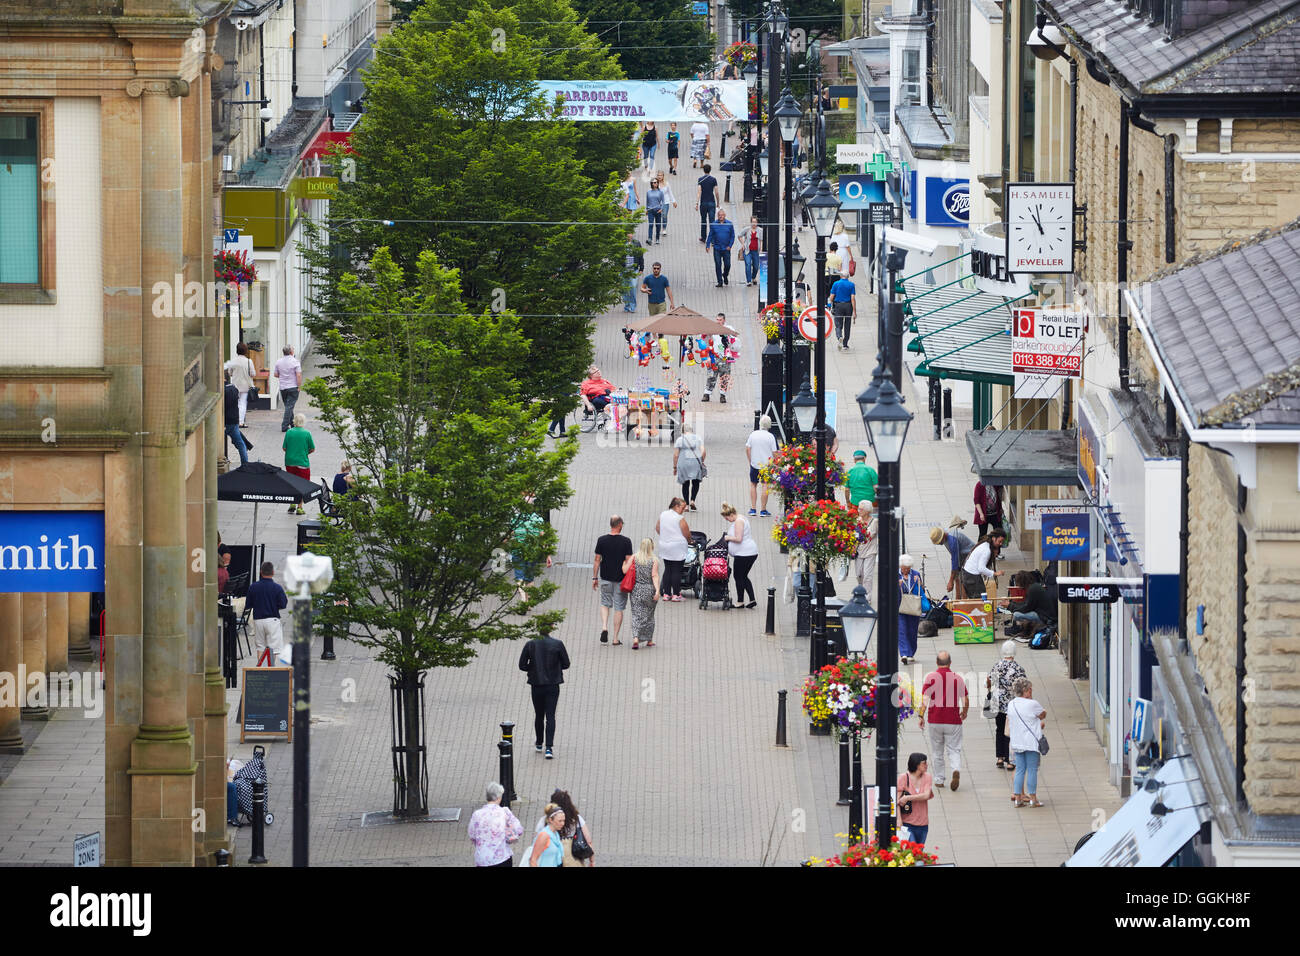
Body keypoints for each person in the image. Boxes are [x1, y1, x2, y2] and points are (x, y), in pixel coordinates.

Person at [919, 650, 969, 790]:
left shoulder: (930, 678)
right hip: (953, 720)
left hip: (935, 720)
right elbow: (965, 699)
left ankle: (939, 779)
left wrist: (920, 716)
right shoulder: (957, 678)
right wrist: (964, 712)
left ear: (936, 662)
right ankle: (955, 769)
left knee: (937, 752)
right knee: (954, 750)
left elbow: (925, 700)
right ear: (950, 663)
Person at [518, 631, 570, 759]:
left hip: (536, 684)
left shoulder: (530, 644)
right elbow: (566, 664)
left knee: (539, 715)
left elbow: (522, 665)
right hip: (553, 684)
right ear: (551, 627)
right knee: (551, 715)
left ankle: (539, 742)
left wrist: (533, 668)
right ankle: (549, 747)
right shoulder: (557, 644)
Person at [593, 515, 634, 646]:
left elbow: (597, 560)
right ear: (620, 524)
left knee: (605, 603)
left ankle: (604, 626)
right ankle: (615, 638)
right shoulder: (626, 541)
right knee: (619, 607)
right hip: (621, 580)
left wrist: (595, 577)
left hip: (605, 577)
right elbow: (628, 561)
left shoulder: (601, 540)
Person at [987, 641, 1027, 771]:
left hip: (997, 702)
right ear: (1014, 652)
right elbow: (1024, 687)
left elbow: (989, 681)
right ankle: (1010, 760)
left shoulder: (996, 666)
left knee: (999, 729)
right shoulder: (1018, 668)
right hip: (1012, 704)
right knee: (1011, 731)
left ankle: (1000, 757)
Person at [1007, 676, 1047, 807]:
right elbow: (1042, 715)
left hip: (1017, 742)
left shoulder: (1011, 704)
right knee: (1032, 770)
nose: (1031, 691)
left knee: (1019, 770)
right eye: (1030, 689)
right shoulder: (1032, 704)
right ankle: (1033, 799)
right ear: (1026, 691)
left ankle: (1018, 798)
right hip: (1031, 743)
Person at [533, 789, 595, 867]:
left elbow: (536, 842)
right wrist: (592, 860)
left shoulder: (545, 820)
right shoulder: (576, 819)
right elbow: (588, 841)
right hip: (573, 860)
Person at [468, 782, 524, 867]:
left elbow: (472, 835)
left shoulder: (477, 814)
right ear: (499, 797)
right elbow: (519, 829)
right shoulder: (504, 812)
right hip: (501, 858)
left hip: (482, 859)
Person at [509, 495, 553, 602]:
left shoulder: (515, 518)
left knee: (519, 577)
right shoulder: (537, 519)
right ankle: (529, 601)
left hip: (518, 551)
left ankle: (524, 599)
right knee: (529, 578)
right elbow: (543, 538)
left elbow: (510, 534)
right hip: (532, 552)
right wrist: (548, 555)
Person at [246, 561, 288, 665]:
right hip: (272, 620)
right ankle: (270, 668)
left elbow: (248, 604)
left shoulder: (253, 587)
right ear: (273, 572)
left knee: (260, 646)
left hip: (258, 619)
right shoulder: (277, 588)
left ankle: (260, 668)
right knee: (273, 647)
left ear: (261, 572)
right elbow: (283, 604)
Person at [624, 536, 661, 649]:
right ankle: (649, 640)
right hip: (649, 589)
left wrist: (623, 563)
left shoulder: (634, 557)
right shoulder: (654, 560)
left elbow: (625, 570)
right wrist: (657, 590)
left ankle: (636, 638)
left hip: (636, 589)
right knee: (649, 615)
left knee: (636, 614)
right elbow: (654, 575)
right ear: (652, 547)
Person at [720, 501, 759, 608]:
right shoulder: (741, 517)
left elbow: (738, 538)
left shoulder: (738, 521)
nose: (727, 520)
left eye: (727, 518)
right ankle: (752, 599)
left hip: (744, 554)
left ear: (731, 515)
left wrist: (727, 538)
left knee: (738, 576)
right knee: (743, 576)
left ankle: (740, 601)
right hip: (749, 552)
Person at [655, 497, 691, 601]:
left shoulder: (663, 514)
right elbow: (686, 533)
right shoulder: (679, 518)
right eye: (682, 508)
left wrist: (666, 536)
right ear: (676, 506)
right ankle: (676, 594)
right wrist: (690, 541)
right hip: (677, 547)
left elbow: (657, 528)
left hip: (664, 545)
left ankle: (666, 594)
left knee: (668, 569)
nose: (683, 510)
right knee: (677, 570)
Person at [931, 516, 975, 599]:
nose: (939, 544)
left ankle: (963, 603)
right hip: (962, 556)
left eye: (938, 542)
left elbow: (955, 562)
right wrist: (953, 578)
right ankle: (957, 600)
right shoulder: (946, 537)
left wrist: (950, 581)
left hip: (970, 556)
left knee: (963, 581)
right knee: (957, 579)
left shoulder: (952, 541)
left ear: (942, 537)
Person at [897, 752, 935, 845]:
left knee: (919, 853)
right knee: (912, 851)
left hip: (923, 823)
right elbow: (897, 801)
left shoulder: (927, 777)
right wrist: (898, 820)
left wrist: (907, 798)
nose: (927, 765)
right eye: (924, 763)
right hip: (907, 823)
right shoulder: (903, 778)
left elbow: (926, 795)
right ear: (916, 764)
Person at [962, 528, 1007, 604]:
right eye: (1000, 541)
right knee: (980, 601)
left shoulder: (985, 544)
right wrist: (995, 573)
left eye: (1002, 542)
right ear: (993, 538)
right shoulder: (987, 550)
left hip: (968, 574)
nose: (1001, 544)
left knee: (978, 599)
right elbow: (981, 568)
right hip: (972, 576)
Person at [745, 415, 779, 516]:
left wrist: (750, 460)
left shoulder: (753, 434)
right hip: (767, 465)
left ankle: (753, 508)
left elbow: (747, 448)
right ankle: (763, 510)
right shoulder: (771, 437)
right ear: (769, 425)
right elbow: (775, 452)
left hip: (755, 463)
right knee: (765, 485)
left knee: (753, 484)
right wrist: (776, 463)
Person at [282, 412, 314, 515]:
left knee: (292, 483)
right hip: (302, 462)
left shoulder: (289, 432)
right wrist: (305, 453)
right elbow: (312, 449)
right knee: (302, 484)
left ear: (294, 421)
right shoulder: (307, 433)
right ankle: (300, 507)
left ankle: (292, 503)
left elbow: (284, 448)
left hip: (290, 462)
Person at [1007, 570, 1056, 636]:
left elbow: (1026, 608)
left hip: (1045, 617)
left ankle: (1026, 629)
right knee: (1018, 612)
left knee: (1016, 615)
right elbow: (1026, 604)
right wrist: (1012, 605)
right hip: (1044, 614)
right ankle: (1027, 629)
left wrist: (1009, 606)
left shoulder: (1032, 589)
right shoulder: (1033, 587)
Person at [898, 554, 924, 664]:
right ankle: (904, 653)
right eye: (904, 568)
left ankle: (911, 653)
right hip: (900, 606)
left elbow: (921, 590)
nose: (906, 570)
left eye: (908, 568)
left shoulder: (916, 574)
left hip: (913, 606)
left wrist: (919, 582)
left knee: (912, 631)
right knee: (902, 630)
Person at [673, 423, 706, 511]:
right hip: (695, 462)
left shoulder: (680, 439)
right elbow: (703, 451)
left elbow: (676, 455)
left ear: (683, 431)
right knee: (696, 482)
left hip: (683, 463)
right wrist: (701, 461)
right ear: (691, 430)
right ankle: (693, 500)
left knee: (685, 484)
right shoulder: (698, 438)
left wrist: (675, 467)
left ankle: (686, 505)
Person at [701, 315, 733, 403]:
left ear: (724, 320)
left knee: (724, 377)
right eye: (717, 319)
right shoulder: (712, 329)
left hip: (724, 357)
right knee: (711, 375)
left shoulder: (728, 329)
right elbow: (704, 339)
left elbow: (733, 340)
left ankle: (722, 395)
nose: (718, 321)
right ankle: (707, 394)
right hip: (713, 356)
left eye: (720, 320)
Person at [225, 342, 256, 427]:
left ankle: (235, 420)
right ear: (246, 351)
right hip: (245, 386)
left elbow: (230, 373)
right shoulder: (249, 362)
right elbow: (253, 374)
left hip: (235, 386)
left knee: (235, 404)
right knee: (242, 403)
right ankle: (241, 422)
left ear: (237, 351)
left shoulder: (233, 361)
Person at [273, 344, 302, 433]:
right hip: (293, 387)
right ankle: (284, 426)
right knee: (289, 407)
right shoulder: (295, 362)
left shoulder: (279, 362)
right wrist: (299, 386)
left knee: (288, 406)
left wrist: (283, 375)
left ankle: (292, 424)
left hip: (283, 388)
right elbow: (298, 375)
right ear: (291, 352)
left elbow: (276, 374)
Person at [223, 370, 250, 467]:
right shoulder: (234, 388)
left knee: (237, 442)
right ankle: (245, 463)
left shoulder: (224, 390)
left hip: (226, 421)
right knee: (240, 443)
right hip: (234, 419)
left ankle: (225, 459)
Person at [705, 206, 735, 286]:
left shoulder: (729, 224)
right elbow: (710, 235)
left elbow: (732, 236)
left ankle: (725, 275)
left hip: (726, 248)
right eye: (719, 215)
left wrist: (730, 245)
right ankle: (720, 281)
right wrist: (707, 245)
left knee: (727, 265)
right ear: (717, 216)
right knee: (718, 264)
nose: (721, 216)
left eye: (722, 215)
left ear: (725, 215)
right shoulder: (714, 224)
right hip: (717, 248)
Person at [828, 271, 857, 351]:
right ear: (848, 277)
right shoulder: (851, 285)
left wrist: (829, 306)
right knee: (847, 324)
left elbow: (831, 296)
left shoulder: (836, 284)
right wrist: (854, 311)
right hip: (848, 306)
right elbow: (853, 298)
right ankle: (845, 344)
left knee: (838, 324)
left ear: (840, 276)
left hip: (838, 306)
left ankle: (839, 336)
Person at [854, 500, 878, 591]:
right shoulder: (857, 521)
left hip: (870, 551)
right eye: (858, 509)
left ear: (867, 511)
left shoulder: (875, 522)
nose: (858, 511)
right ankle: (861, 592)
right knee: (859, 575)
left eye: (861, 509)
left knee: (867, 576)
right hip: (859, 551)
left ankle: (867, 598)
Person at [737, 215, 762, 286]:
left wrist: (761, 250)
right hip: (747, 250)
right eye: (753, 222)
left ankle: (753, 277)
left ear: (757, 223)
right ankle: (748, 281)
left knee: (756, 266)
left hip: (756, 251)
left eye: (755, 222)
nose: (754, 224)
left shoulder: (760, 230)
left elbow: (761, 240)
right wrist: (743, 244)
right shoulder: (747, 229)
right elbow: (739, 236)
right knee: (747, 264)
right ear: (751, 222)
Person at [696, 163, 718, 242]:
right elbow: (716, 192)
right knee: (712, 221)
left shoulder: (700, 179)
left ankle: (703, 237)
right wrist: (718, 202)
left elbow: (699, 192)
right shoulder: (713, 179)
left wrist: (697, 203)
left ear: (703, 170)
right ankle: (712, 239)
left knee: (703, 220)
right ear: (710, 170)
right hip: (711, 202)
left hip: (703, 202)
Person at [622, 233, 644, 313]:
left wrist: (641, 268)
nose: (629, 235)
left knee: (633, 287)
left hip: (633, 269)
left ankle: (632, 306)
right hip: (624, 269)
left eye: (631, 234)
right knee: (624, 288)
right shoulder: (622, 244)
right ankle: (627, 305)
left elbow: (640, 255)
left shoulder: (637, 243)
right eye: (628, 234)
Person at [645, 177, 666, 244]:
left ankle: (657, 238)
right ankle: (650, 239)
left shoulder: (660, 192)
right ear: (651, 184)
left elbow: (663, 201)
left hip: (658, 210)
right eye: (653, 182)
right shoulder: (648, 192)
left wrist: (661, 209)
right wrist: (647, 209)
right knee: (651, 224)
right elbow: (647, 201)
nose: (655, 184)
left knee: (658, 225)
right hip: (650, 210)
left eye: (656, 182)